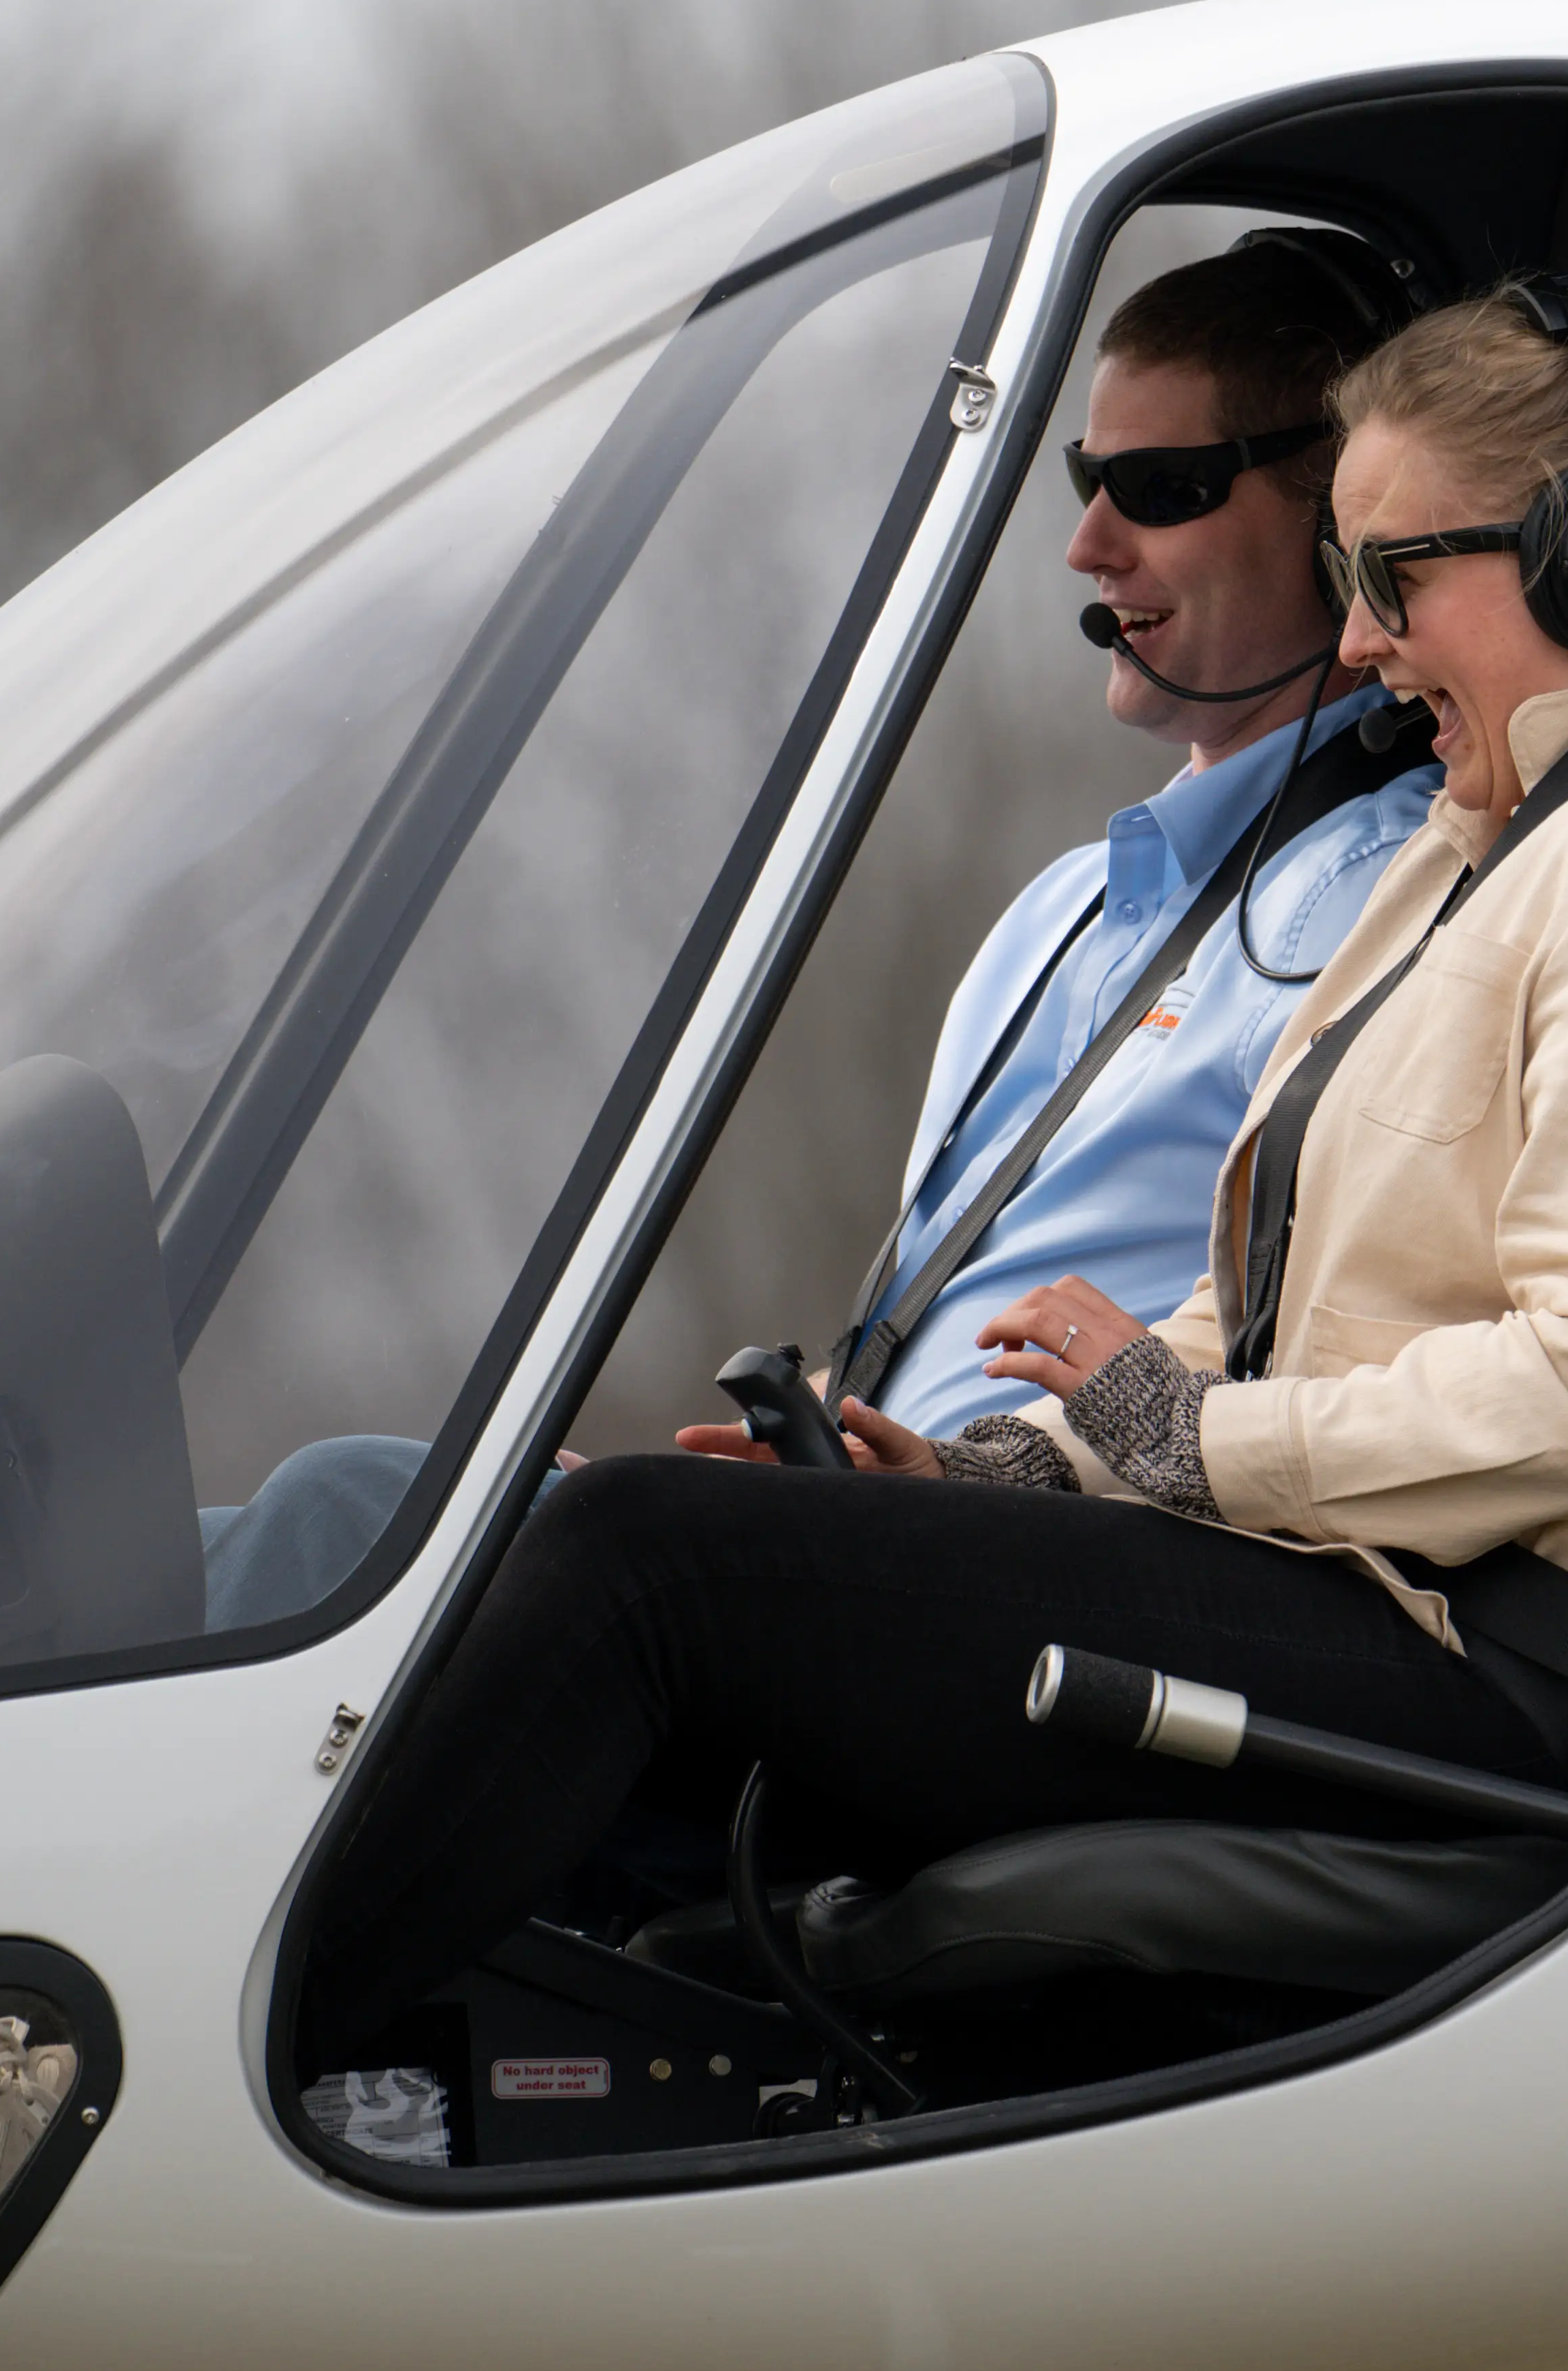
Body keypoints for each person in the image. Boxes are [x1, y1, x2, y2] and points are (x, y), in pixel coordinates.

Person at [290, 278, 1568, 2077]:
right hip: (1353, 1594)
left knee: (642, 1564)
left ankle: (185, 2088)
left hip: (1477, 1671)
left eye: (1394, 580)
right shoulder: (1492, 853)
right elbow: (1261, 1315)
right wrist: (1011, 1470)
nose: (1358, 646)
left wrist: (1189, 1441)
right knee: (568, 1570)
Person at [190, 228, 1441, 1626]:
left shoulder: (1404, 904)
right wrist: (820, 1466)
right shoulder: (1060, 912)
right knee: (323, 1530)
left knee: (334, 1516)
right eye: (1088, 482)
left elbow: (1324, 1371)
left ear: (1345, 521)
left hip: (1062, 1597)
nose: (1087, 543)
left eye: (1159, 489)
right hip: (917, 1533)